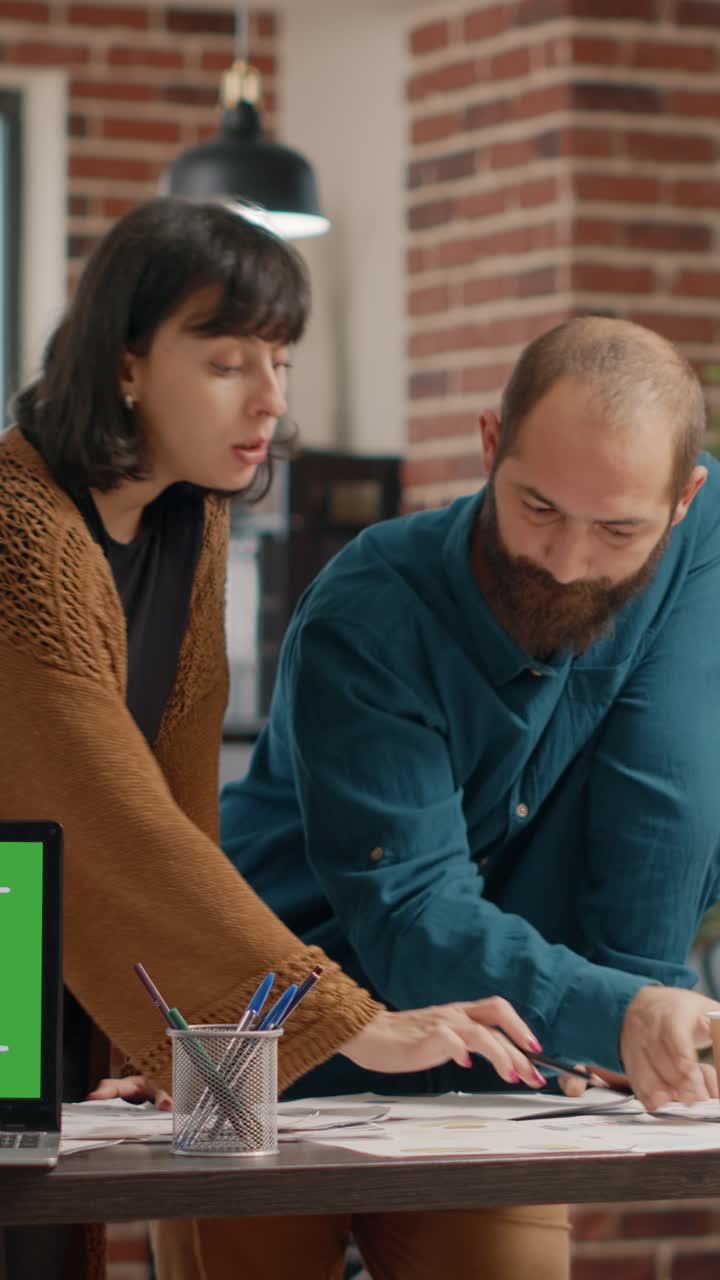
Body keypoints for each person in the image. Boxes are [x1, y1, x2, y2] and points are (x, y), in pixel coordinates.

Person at [0, 197, 542, 1280]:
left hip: (44, 950)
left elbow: (180, 800)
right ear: (125, 365)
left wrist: (186, 1032)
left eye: (281, 358)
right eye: (226, 359)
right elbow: (103, 811)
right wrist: (346, 1020)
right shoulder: (20, 528)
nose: (270, 398)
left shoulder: (183, 515)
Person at [217, 316, 720, 1277]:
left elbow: (669, 805)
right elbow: (410, 914)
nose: (568, 561)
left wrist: (640, 1007)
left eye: (617, 528)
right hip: (277, 1038)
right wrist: (622, 1011)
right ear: (491, 445)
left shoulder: (699, 554)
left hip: (505, 1068)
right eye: (536, 507)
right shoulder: (368, 610)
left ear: (683, 500)